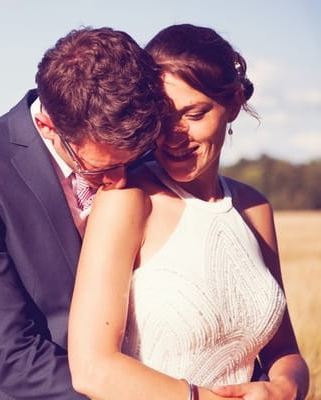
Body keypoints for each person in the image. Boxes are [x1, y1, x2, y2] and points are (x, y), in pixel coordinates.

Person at [68, 24, 310, 400]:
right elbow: (91, 370)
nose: (174, 135)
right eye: (162, 118)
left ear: (231, 104)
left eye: (194, 114)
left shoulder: (254, 207)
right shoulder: (127, 200)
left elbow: (284, 351)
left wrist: (284, 388)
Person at [0, 27, 169, 399]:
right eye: (98, 168)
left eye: (132, 160)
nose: (120, 180)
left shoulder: (134, 142)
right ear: (47, 125)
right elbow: (12, 356)